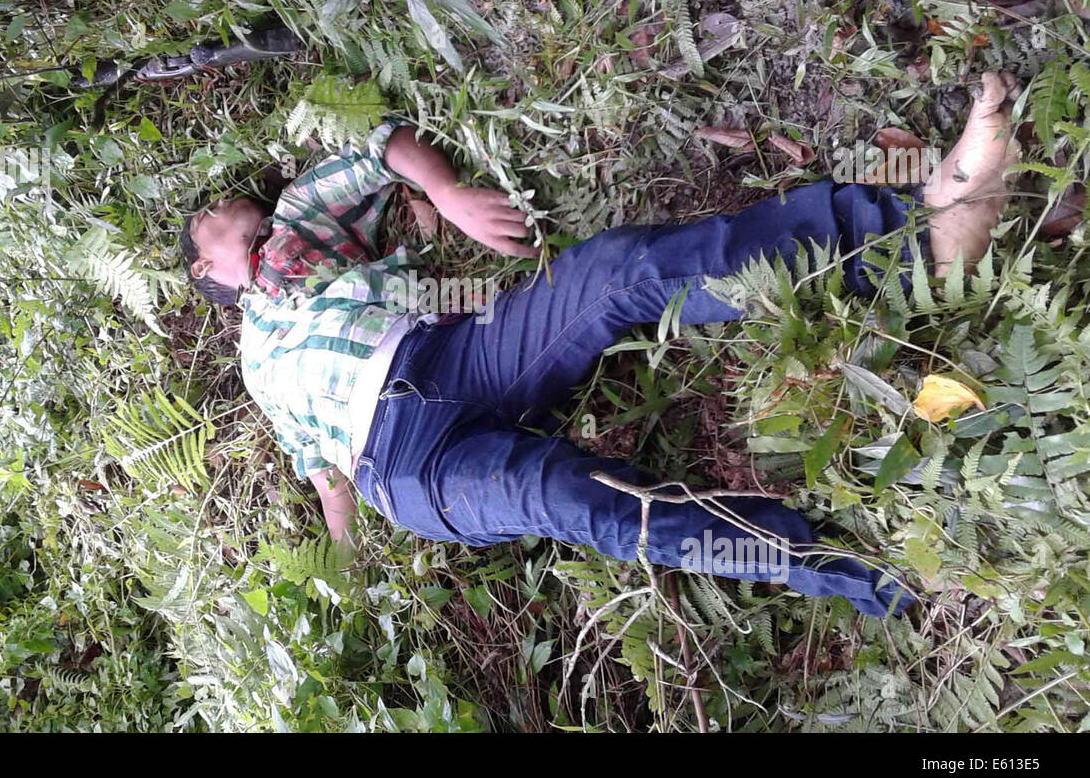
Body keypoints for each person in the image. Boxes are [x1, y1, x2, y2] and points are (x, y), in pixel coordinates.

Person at [179, 72, 1021, 617]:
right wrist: (346, 566)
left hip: (455, 348)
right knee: (581, 503)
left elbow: (376, 145)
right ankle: (854, 571)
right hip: (406, 470)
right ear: (213, 279)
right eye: (205, 226)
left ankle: (917, 236)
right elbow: (319, 470)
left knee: (618, 271)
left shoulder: (298, 215)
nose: (219, 210)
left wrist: (449, 192)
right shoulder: (259, 359)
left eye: (218, 205)